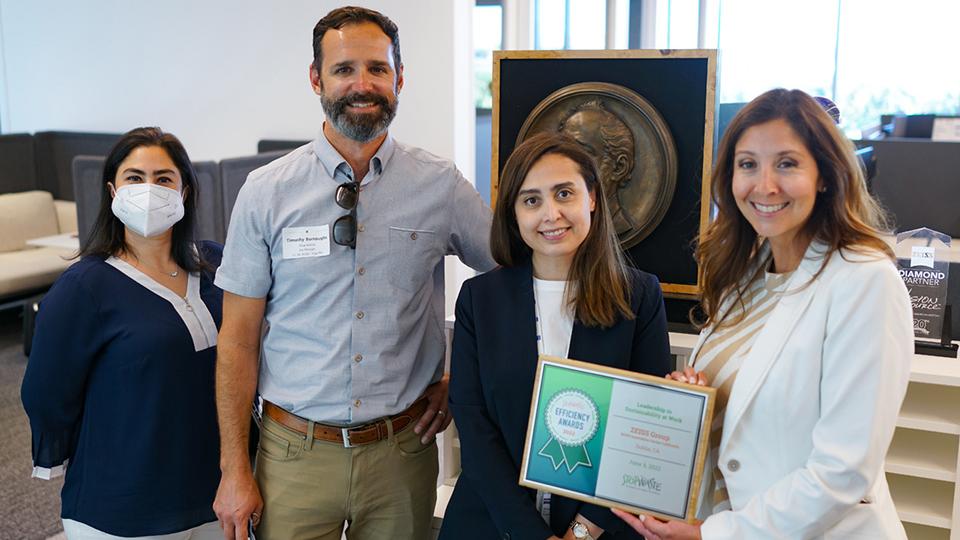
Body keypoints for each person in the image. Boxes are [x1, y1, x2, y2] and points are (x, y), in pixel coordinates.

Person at [211, 6, 494, 540]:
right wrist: (233, 469)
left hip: (400, 454)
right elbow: (238, 342)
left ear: (399, 79)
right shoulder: (267, 192)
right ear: (316, 79)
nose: (361, 85)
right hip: (293, 455)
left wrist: (464, 380)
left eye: (377, 69)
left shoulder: (440, 185)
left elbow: (512, 278)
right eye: (344, 70)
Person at [614, 88, 912, 539]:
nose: (765, 185)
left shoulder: (865, 282)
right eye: (748, 164)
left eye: (787, 164)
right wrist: (698, 393)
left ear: (826, 175)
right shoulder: (747, 272)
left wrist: (711, 536)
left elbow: (843, 472)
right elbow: (749, 400)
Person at [439, 132, 672, 540]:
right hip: (493, 522)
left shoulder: (640, 297)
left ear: (593, 198)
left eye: (564, 193)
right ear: (514, 213)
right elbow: (475, 432)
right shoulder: (480, 299)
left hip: (602, 529)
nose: (551, 214)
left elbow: (639, 437)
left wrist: (581, 533)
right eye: (531, 200)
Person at [21, 127, 223, 539]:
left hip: (217, 491)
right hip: (124, 505)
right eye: (135, 178)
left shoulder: (215, 264)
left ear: (183, 192)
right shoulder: (84, 287)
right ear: (113, 191)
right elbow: (46, 391)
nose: (150, 189)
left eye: (164, 178)